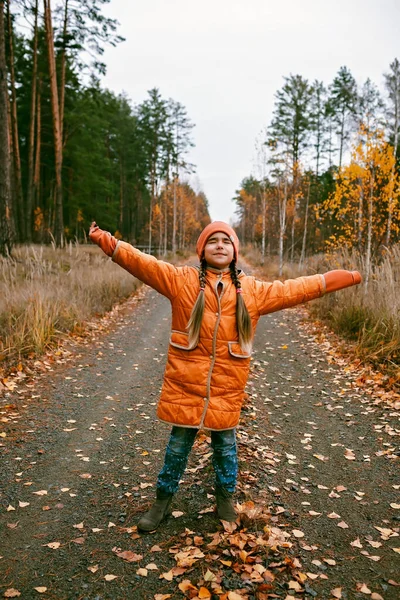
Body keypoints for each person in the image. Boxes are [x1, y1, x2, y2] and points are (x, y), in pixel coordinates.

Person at [89, 220, 361, 532]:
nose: (220, 245)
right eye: (213, 241)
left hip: (226, 389)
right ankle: (162, 502)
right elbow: (143, 263)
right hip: (186, 385)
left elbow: (294, 290)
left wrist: (337, 279)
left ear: (234, 251)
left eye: (226, 241)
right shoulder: (181, 281)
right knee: (177, 446)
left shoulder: (253, 292)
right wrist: (109, 243)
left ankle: (224, 500)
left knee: (226, 447)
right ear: (202, 250)